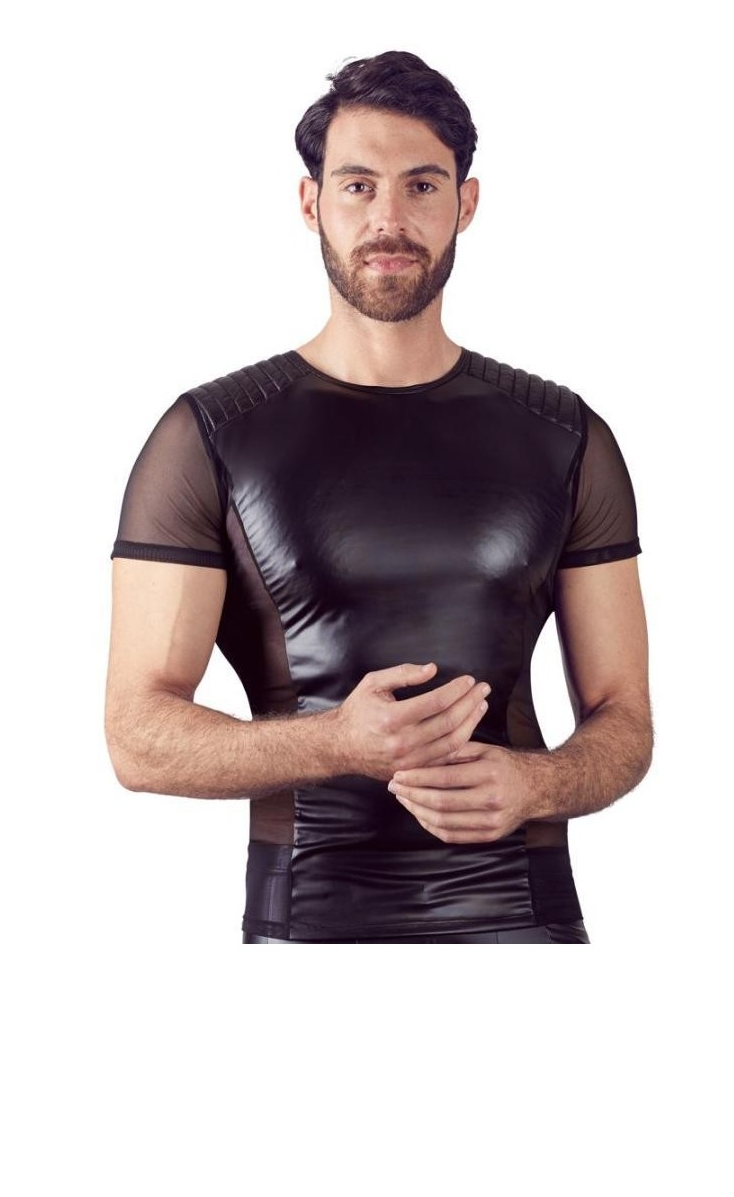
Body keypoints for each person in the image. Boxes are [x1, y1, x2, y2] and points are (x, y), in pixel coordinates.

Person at [105, 51, 652, 943]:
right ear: (311, 202)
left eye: (421, 186)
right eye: (358, 186)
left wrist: (539, 783)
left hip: (528, 922)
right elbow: (136, 736)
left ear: (465, 204)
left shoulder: (565, 434)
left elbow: (625, 719)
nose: (388, 219)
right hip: (306, 928)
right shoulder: (206, 436)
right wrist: (335, 744)